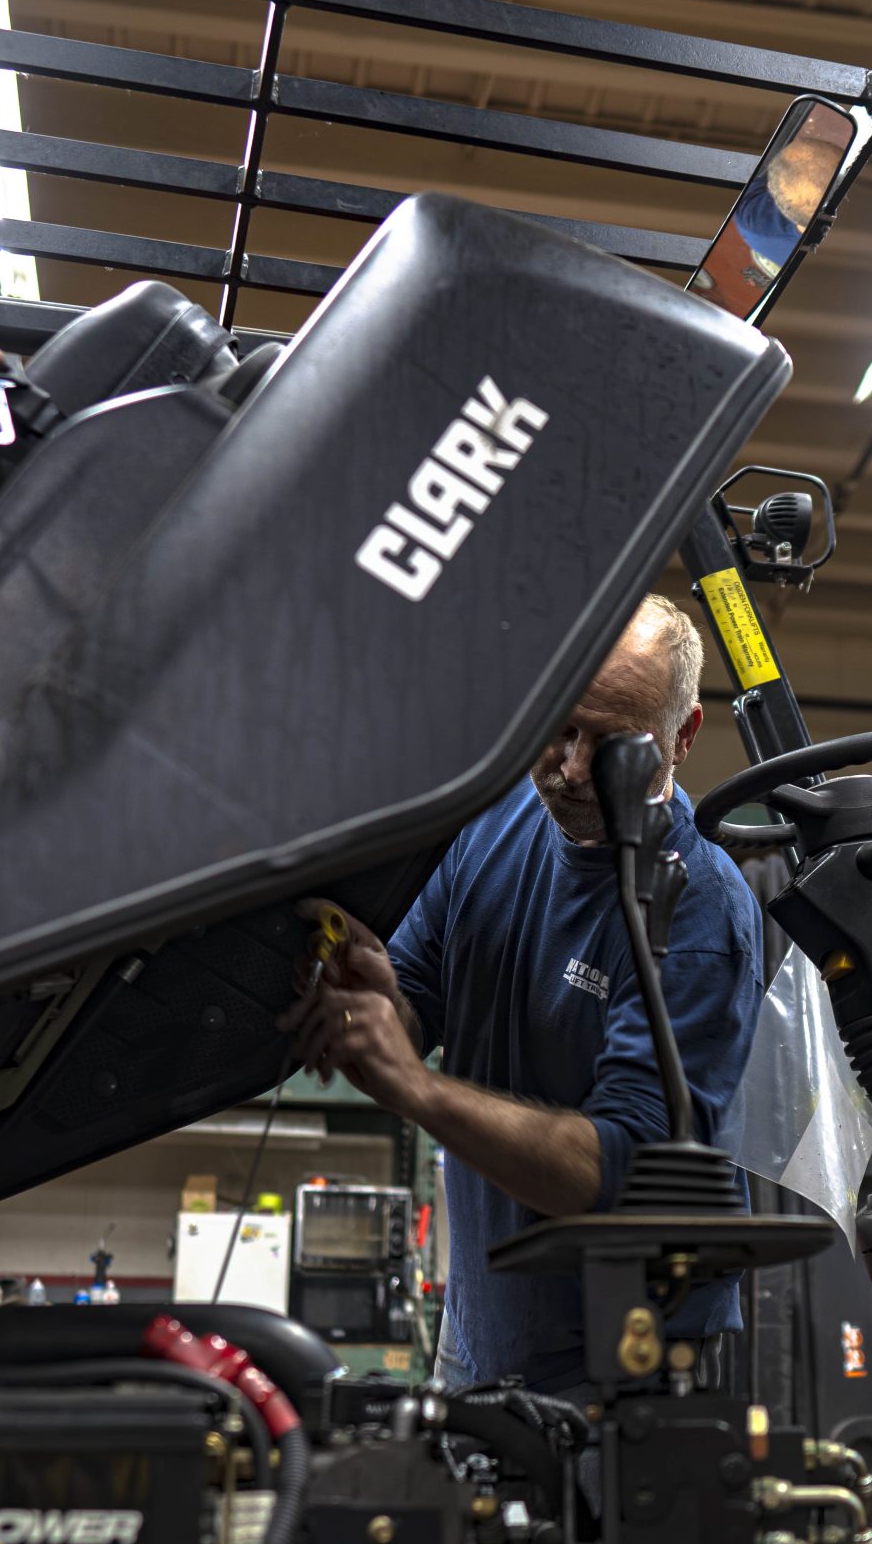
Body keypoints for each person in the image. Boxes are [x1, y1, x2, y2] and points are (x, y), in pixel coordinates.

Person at [279, 594, 763, 1393]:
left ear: (682, 736)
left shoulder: (698, 907)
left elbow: (619, 1170)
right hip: (483, 1325)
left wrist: (416, 1088)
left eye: (611, 743)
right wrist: (375, 997)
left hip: (629, 1358)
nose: (571, 768)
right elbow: (418, 1002)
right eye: (562, 727)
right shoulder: (494, 819)